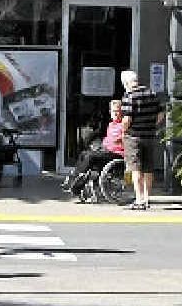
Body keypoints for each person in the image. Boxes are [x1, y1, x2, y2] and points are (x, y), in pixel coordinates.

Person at [63, 100, 125, 199]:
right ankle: (74, 177)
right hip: (106, 151)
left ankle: (77, 184)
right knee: (84, 153)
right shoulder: (111, 125)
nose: (116, 114)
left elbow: (123, 139)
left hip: (116, 153)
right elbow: (108, 140)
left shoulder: (124, 124)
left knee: (90, 156)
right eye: (114, 111)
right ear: (110, 112)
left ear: (122, 112)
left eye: (118, 111)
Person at [120, 70, 164, 210]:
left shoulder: (129, 96)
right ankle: (147, 198)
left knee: (136, 168)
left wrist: (123, 130)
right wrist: (152, 124)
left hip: (134, 136)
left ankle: (139, 199)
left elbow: (127, 119)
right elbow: (161, 113)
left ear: (126, 83)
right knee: (148, 168)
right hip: (149, 135)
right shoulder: (152, 93)